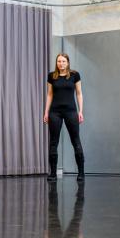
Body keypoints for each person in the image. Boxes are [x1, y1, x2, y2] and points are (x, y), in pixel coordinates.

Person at [43, 53, 84, 182]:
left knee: (76, 141)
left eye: (63, 61)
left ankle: (81, 173)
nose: (61, 64)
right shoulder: (51, 76)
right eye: (59, 61)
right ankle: (53, 173)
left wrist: (80, 111)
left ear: (68, 62)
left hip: (71, 111)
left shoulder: (74, 75)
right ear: (56, 63)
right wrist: (46, 112)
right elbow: (49, 94)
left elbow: (79, 93)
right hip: (55, 112)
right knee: (53, 142)